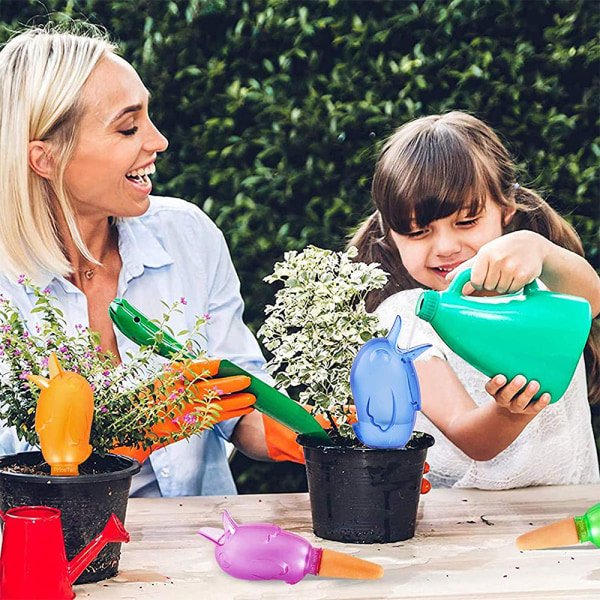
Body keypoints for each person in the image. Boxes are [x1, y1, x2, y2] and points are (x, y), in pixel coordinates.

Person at [0, 24, 295, 497]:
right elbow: (20, 473)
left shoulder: (188, 235)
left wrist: (314, 435)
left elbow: (239, 399)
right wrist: (139, 430)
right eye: (128, 127)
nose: (158, 141)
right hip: (54, 555)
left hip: (200, 544)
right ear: (46, 158)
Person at [351, 111, 600, 489]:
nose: (446, 247)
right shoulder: (404, 321)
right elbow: (469, 436)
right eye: (418, 232)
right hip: (463, 523)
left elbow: (593, 301)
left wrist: (541, 251)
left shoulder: (541, 283)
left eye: (466, 222)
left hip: (572, 510)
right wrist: (509, 413)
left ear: (506, 210)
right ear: (391, 233)